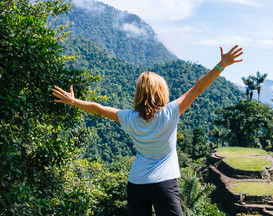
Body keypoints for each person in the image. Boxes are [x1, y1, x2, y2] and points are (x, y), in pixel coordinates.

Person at [52, 45, 243, 216]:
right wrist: (221, 65)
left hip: (136, 184)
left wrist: (74, 101)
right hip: (163, 184)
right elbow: (198, 88)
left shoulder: (128, 117)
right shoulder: (171, 112)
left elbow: (99, 109)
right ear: (162, 92)